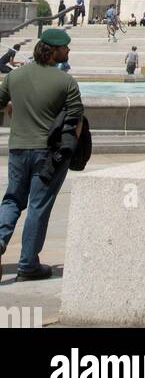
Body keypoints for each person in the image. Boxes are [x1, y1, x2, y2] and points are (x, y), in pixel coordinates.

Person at [0, 27, 83, 280]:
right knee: (38, 206)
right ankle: (28, 265)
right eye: (65, 48)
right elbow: (76, 119)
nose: (68, 51)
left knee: (12, 200)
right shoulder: (65, 81)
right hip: (49, 155)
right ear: (53, 51)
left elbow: (1, 104)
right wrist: (73, 151)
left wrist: (15, 112)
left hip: (17, 148)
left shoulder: (14, 77)